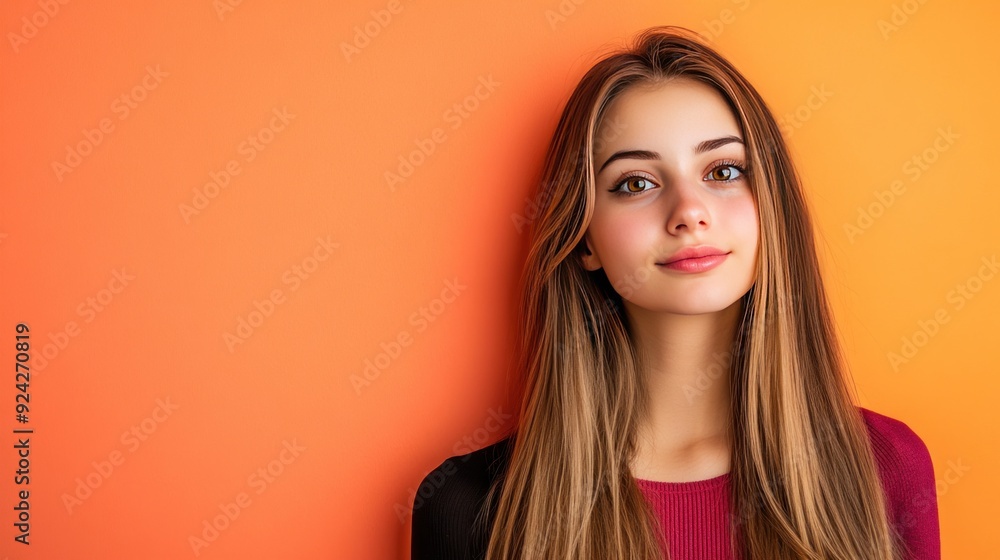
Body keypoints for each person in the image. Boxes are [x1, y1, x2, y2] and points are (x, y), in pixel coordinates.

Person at [410, 25, 940, 560]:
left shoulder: (886, 467)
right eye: (636, 183)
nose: (689, 211)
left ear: (771, 208)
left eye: (724, 171)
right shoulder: (466, 508)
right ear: (585, 239)